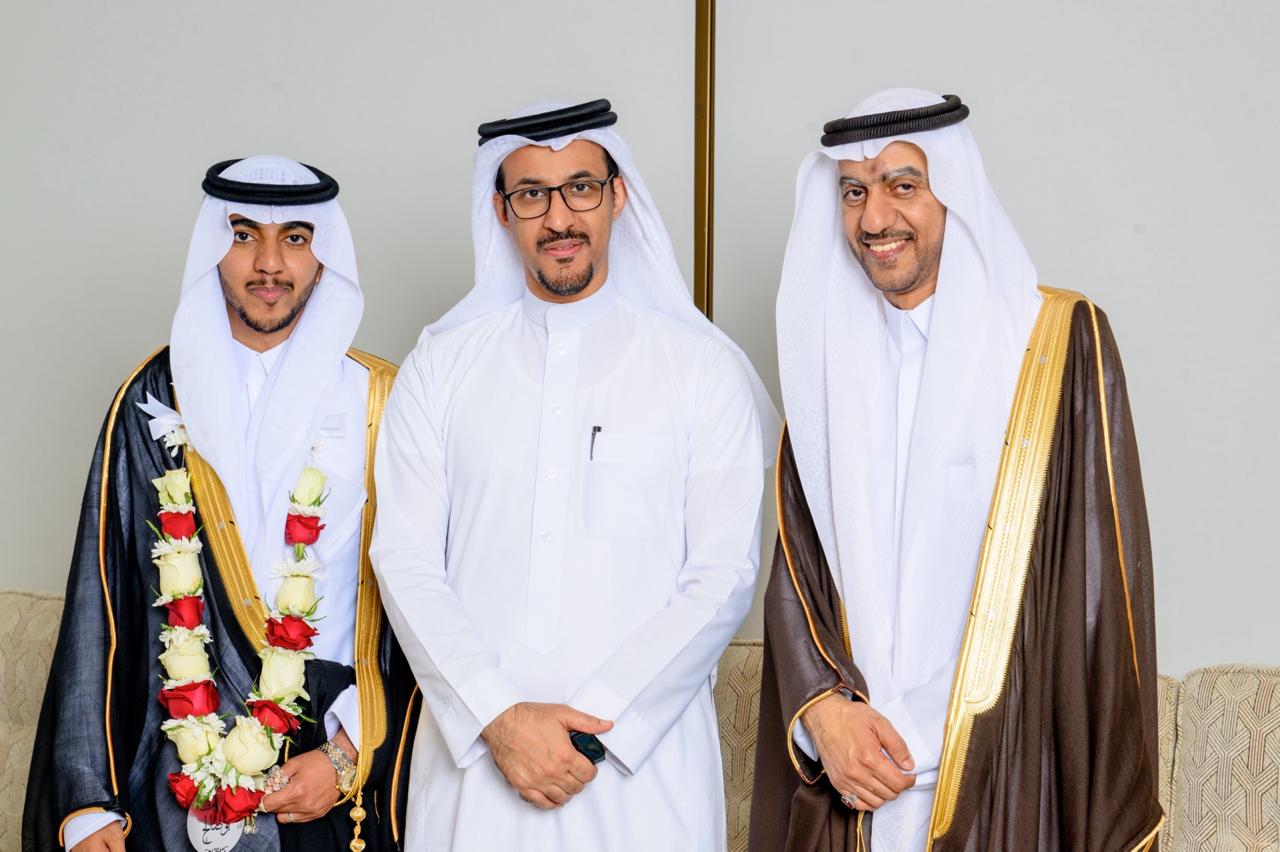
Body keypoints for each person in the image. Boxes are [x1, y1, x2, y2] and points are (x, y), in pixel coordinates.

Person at [750, 90, 1163, 852]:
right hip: (851, 792)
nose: (875, 218)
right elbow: (798, 574)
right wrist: (823, 714)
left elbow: (1095, 591)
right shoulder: (826, 372)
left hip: (1007, 773)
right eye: (854, 193)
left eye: (903, 185)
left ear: (954, 191)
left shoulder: (1052, 347)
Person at [371, 99, 780, 851]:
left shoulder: (701, 371)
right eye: (532, 194)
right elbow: (405, 560)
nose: (559, 217)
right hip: (477, 775)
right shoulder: (439, 369)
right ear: (502, 211)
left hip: (643, 780)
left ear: (618, 196)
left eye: (581, 188)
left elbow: (723, 575)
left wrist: (594, 726)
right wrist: (500, 719)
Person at [24, 156, 418, 852]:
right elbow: (100, 602)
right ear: (212, 247)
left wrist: (348, 753)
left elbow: (423, 602)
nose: (270, 263)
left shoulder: (383, 401)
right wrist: (86, 804)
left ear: (324, 255)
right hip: (176, 766)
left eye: (295, 238)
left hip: (330, 767)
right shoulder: (154, 399)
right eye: (242, 235)